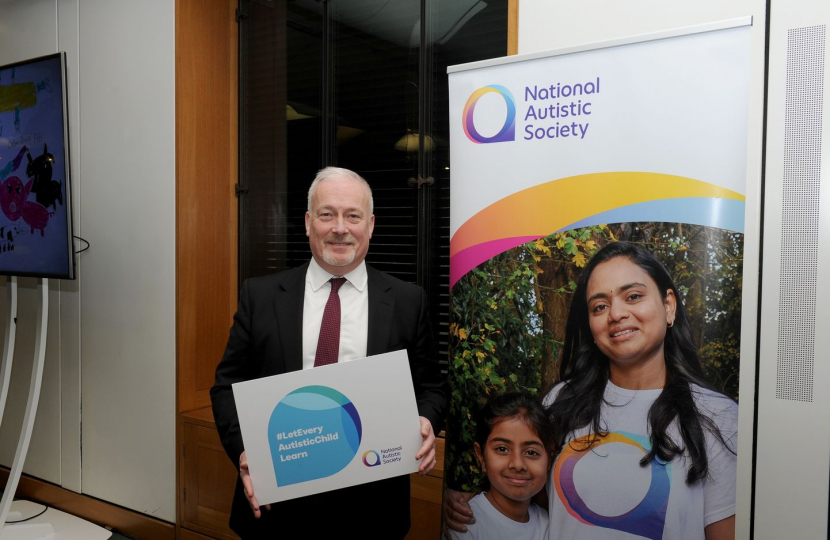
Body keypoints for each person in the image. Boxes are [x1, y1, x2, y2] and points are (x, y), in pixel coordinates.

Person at [211, 166, 447, 539]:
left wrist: (426, 421)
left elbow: (432, 387)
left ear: (370, 225)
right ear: (308, 223)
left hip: (372, 510)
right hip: (277, 508)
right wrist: (245, 452)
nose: (340, 228)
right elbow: (227, 386)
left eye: (352, 216)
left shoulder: (407, 301)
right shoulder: (261, 296)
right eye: (327, 214)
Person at [445, 241, 738, 540]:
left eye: (633, 296)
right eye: (600, 306)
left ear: (668, 305)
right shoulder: (561, 401)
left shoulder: (718, 417)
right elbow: (529, 495)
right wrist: (470, 504)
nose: (616, 314)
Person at [449, 391, 553, 540]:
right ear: (481, 456)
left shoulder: (549, 525)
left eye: (531, 452)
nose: (517, 464)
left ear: (549, 459)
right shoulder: (464, 524)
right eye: (502, 449)